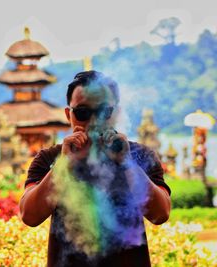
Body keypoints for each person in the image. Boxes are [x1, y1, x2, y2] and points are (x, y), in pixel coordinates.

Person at [19, 71, 171, 267]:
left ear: (116, 113)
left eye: (103, 112)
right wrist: (65, 164)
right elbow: (29, 216)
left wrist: (126, 163)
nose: (93, 122)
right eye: (83, 113)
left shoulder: (139, 156)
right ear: (68, 115)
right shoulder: (50, 159)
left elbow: (160, 214)